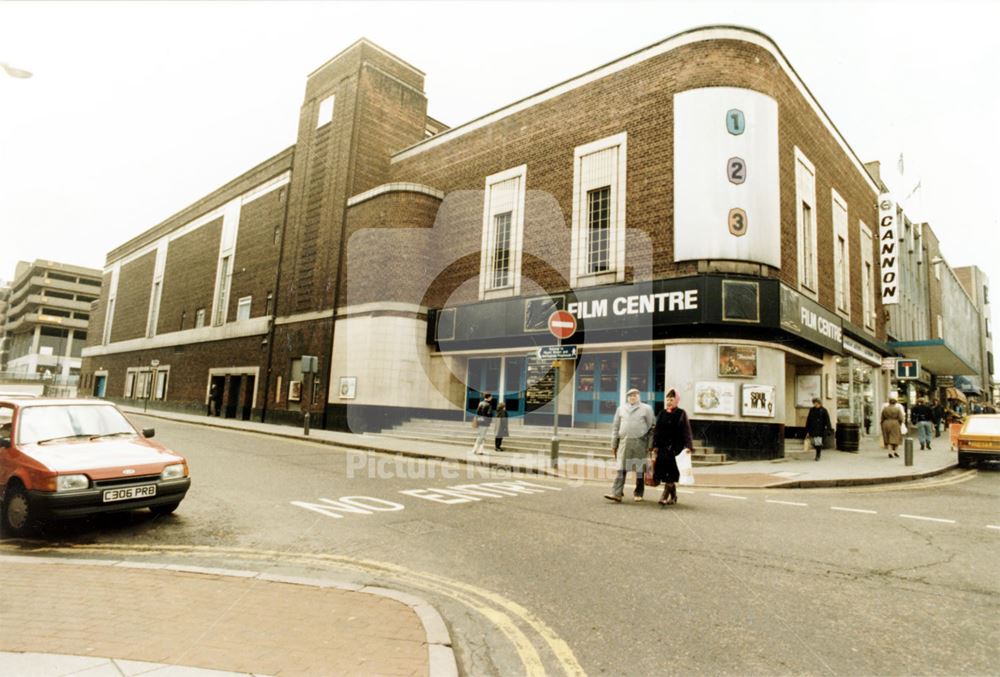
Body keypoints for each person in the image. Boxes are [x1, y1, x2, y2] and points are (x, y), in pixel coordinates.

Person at [604, 388, 655, 503]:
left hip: (640, 443)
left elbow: (652, 427)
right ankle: (616, 493)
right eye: (630, 395)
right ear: (627, 397)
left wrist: (650, 444)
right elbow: (615, 427)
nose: (632, 397)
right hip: (624, 443)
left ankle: (638, 492)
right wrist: (614, 444)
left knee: (639, 470)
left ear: (639, 396)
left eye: (634, 395)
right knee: (621, 469)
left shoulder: (646, 409)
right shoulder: (620, 409)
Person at [651, 388, 694, 506]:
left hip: (676, 448)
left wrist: (689, 446)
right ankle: (674, 496)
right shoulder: (662, 413)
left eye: (672, 399)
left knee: (671, 473)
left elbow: (687, 430)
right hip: (663, 447)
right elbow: (657, 430)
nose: (669, 401)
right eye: (668, 399)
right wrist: (654, 445)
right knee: (665, 472)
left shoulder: (681, 413)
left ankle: (664, 496)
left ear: (676, 400)